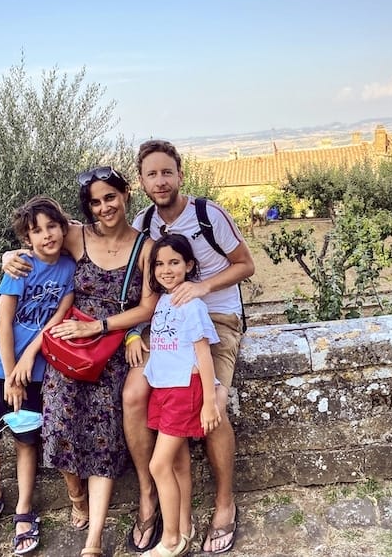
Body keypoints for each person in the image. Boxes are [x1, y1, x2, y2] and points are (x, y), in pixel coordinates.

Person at [4, 167, 157, 557]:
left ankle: (93, 543)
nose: (104, 206)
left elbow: (148, 305)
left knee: (104, 436)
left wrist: (102, 327)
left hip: (112, 348)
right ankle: (75, 495)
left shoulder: (146, 247)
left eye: (110, 197)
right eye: (95, 201)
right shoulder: (77, 234)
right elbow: (40, 242)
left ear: (125, 195)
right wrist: (10, 256)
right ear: (87, 207)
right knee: (57, 425)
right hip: (69, 349)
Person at [124, 139, 254, 554]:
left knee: (211, 402)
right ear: (141, 181)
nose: (160, 181)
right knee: (132, 395)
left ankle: (224, 503)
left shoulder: (207, 214)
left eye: (167, 172)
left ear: (180, 175)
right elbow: (85, 237)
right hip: (164, 321)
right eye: (151, 174)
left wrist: (200, 287)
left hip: (213, 318)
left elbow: (245, 264)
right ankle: (152, 497)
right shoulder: (144, 224)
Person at [0, 196, 76, 556]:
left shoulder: (70, 267)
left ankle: (25, 507)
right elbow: (3, 322)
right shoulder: (20, 266)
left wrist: (25, 367)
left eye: (52, 226)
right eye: (37, 231)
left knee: (27, 438)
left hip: (37, 368)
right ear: (27, 239)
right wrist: (11, 372)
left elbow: (56, 321)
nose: (47, 235)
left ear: (63, 227)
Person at [141, 233, 222, 557]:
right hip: (163, 388)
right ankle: (184, 529)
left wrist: (208, 402)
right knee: (177, 464)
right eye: (159, 263)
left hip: (183, 390)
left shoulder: (192, 304)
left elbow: (203, 354)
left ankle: (171, 540)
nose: (166, 269)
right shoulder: (163, 300)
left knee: (158, 465)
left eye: (174, 262)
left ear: (188, 265)